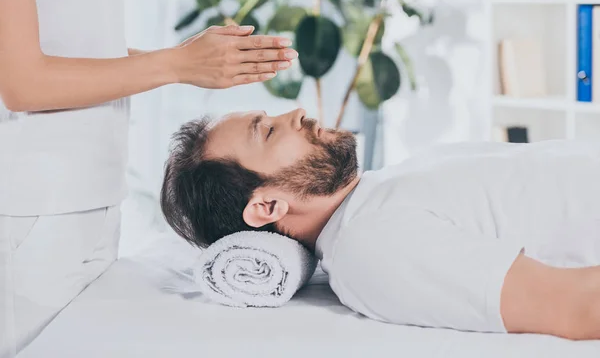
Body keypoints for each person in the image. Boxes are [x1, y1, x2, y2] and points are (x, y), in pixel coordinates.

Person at [0, 0, 298, 356]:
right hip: (33, 204)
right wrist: (178, 64)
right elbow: (23, 82)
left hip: (95, 195)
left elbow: (78, 50)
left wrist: (193, 61)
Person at [160, 108, 600, 341]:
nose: (295, 113)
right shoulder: (369, 245)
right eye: (270, 132)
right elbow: (574, 306)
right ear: (268, 206)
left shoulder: (382, 189)